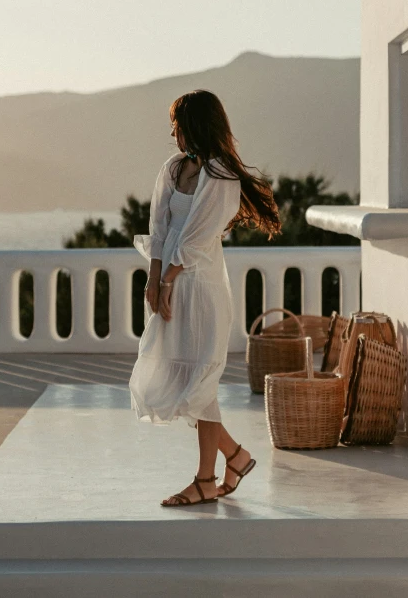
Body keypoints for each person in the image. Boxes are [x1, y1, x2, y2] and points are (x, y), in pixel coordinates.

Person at [130, 89, 282, 507]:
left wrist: (168, 280)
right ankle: (235, 457)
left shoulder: (220, 175)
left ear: (196, 125)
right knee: (187, 383)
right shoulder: (174, 168)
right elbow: (159, 226)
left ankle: (206, 478)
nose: (174, 134)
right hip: (172, 286)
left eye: (178, 126)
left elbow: (197, 238)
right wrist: (154, 276)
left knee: (198, 382)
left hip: (201, 289)